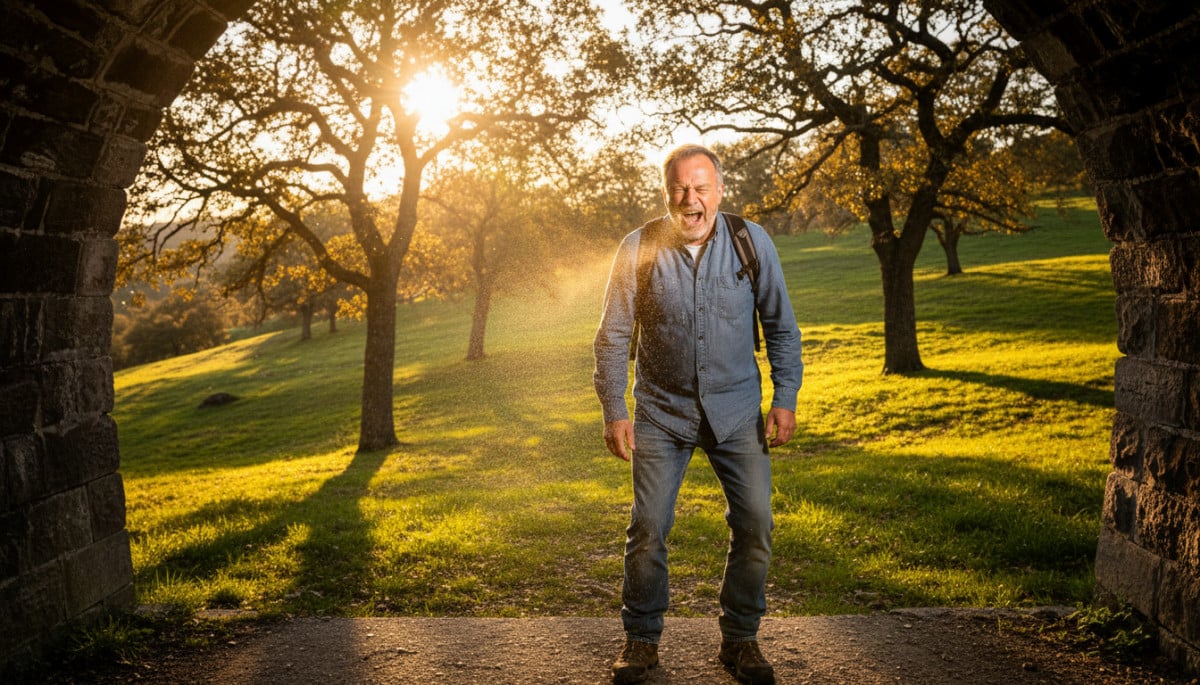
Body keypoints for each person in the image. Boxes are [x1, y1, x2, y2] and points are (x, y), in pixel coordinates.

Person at [593, 144, 803, 685]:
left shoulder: (750, 242)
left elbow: (781, 326)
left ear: (719, 190)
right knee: (648, 527)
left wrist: (785, 397)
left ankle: (740, 640)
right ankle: (640, 640)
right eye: (681, 189)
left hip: (736, 411)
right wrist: (615, 408)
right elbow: (614, 335)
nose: (692, 199)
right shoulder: (637, 248)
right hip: (661, 414)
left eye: (702, 187)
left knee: (755, 523)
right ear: (667, 194)